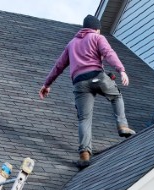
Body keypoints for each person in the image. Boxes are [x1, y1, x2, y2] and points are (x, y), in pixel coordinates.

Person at [39, 15, 135, 168]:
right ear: (96, 28)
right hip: (96, 76)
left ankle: (84, 155)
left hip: (79, 83)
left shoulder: (71, 44)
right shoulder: (97, 37)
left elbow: (58, 65)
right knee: (116, 97)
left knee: (84, 119)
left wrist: (47, 84)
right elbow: (109, 53)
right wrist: (121, 70)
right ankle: (122, 126)